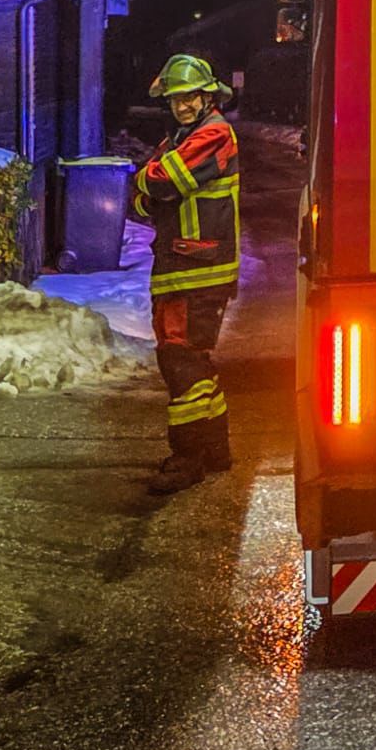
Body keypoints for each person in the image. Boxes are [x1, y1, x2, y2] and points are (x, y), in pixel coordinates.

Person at [132, 54, 240, 495]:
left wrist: (149, 181)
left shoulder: (214, 134)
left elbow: (160, 182)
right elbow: (141, 197)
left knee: (181, 363)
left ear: (208, 96)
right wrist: (149, 183)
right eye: (176, 99)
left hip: (198, 270)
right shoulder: (180, 138)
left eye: (190, 97)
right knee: (194, 361)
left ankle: (188, 457)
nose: (182, 106)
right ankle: (214, 449)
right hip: (183, 269)